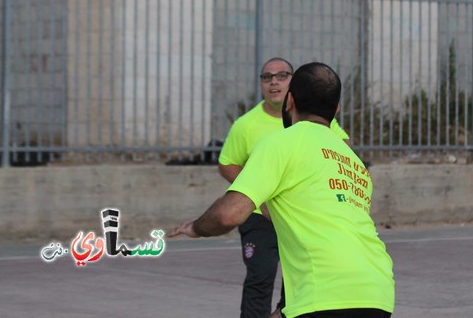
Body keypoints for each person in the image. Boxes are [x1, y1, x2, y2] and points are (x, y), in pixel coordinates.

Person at [169, 62, 395, 318]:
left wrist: (197, 227)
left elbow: (227, 215)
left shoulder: (281, 142)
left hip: (324, 295)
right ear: (336, 109)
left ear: (290, 101)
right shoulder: (353, 162)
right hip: (378, 291)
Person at [217, 57, 350, 318]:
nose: (274, 82)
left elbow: (345, 155)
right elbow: (226, 164)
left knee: (297, 282)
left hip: (301, 216)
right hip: (260, 217)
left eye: (281, 76)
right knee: (260, 275)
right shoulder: (246, 124)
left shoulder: (320, 121)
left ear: (293, 89)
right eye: (267, 77)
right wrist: (257, 191)